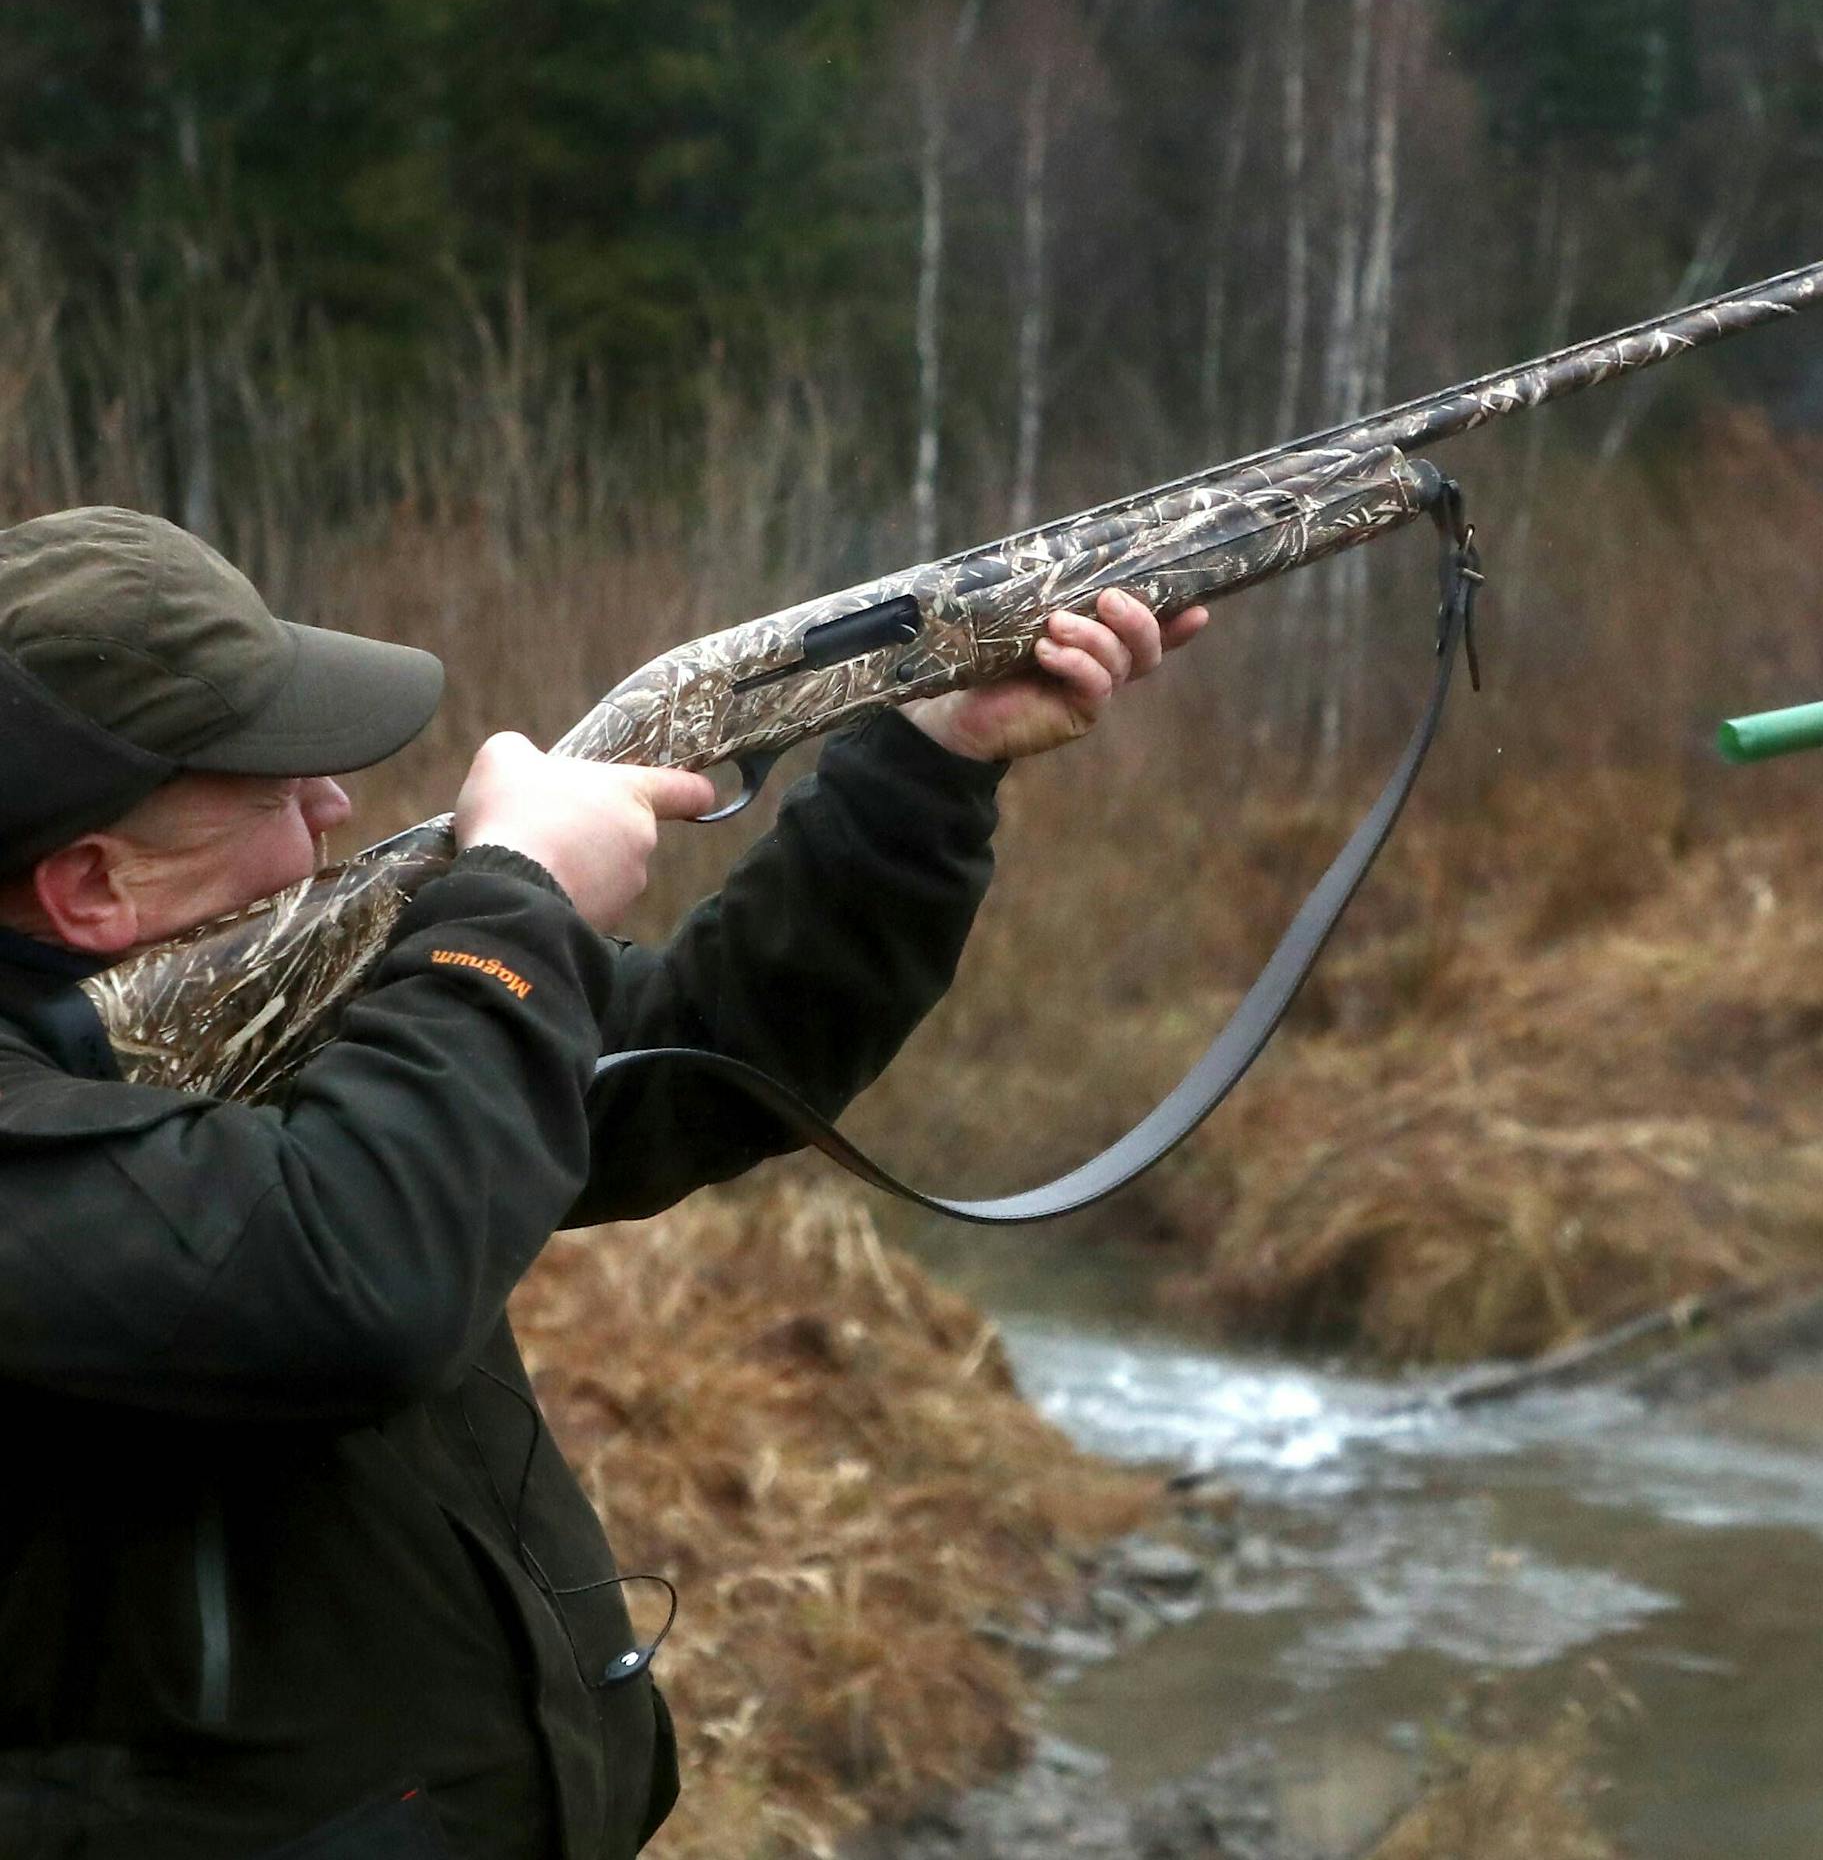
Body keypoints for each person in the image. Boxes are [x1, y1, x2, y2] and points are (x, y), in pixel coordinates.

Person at [0, 505, 1205, 1859]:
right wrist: (514, 903)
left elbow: (709, 1055)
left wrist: (929, 765)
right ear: (95, 886)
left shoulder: (224, 1034)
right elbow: (359, 1273)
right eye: (277, 795)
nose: (336, 809)